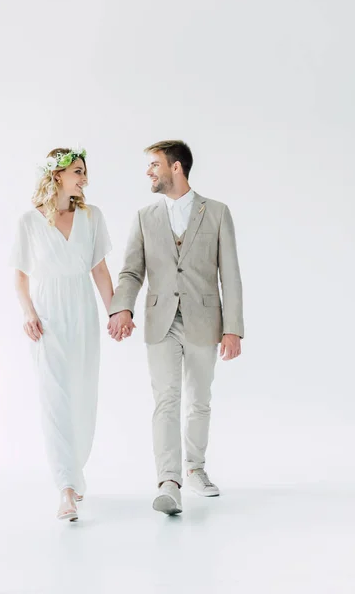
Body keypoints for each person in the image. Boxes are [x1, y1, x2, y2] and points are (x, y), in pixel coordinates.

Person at [108, 140, 244, 515]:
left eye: (154, 164)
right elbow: (131, 271)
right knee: (166, 399)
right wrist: (121, 308)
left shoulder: (216, 212)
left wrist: (233, 328)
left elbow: (230, 276)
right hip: (160, 320)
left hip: (205, 318)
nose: (149, 172)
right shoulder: (144, 216)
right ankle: (169, 482)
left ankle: (196, 468)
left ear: (176, 168)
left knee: (199, 400)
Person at [10, 147, 113, 522]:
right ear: (57, 175)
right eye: (78, 171)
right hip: (48, 317)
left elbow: (100, 271)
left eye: (85, 172)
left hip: (83, 313)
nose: (84, 178)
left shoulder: (92, 217)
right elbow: (20, 276)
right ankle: (65, 489)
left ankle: (75, 470)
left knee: (83, 396)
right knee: (55, 399)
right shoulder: (28, 221)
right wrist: (28, 313)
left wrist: (117, 312)